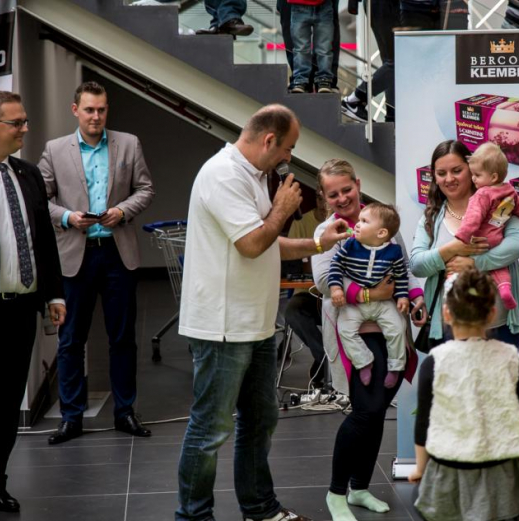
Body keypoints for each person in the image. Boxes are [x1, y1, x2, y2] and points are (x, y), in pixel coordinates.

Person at [176, 104, 349, 521]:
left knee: (259, 421)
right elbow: (252, 243)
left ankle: (259, 508)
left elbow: (266, 240)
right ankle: (193, 515)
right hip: (223, 326)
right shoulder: (223, 175)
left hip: (252, 322)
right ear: (269, 139)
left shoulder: (253, 175)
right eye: (287, 148)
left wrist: (318, 243)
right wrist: (283, 209)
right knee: (211, 429)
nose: (287, 158)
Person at [311, 158, 427, 521]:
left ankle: (359, 487)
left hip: (390, 333)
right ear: (324, 197)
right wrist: (370, 295)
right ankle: (336, 493)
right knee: (365, 413)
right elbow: (322, 282)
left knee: (376, 415)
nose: (343, 198)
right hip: (354, 336)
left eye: (347, 189)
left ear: (357, 184)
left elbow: (403, 269)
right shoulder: (325, 232)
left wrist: (417, 296)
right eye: (334, 194)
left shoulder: (381, 222)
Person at [40, 81, 155, 445]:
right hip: (75, 255)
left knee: (122, 338)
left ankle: (125, 412)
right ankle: (71, 418)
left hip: (117, 253)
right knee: (71, 339)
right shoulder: (55, 150)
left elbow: (145, 189)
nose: (96, 116)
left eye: (101, 110)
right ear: (76, 110)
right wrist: (68, 217)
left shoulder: (129, 143)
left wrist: (122, 210)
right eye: (89, 110)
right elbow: (39, 198)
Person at [408, 268, 519, 521]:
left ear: (446, 313)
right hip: (502, 471)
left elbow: (423, 424)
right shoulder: (510, 358)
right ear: (492, 313)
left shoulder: (435, 362)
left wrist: (420, 469)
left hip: (449, 472)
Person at [0, 92, 66, 514]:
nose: (26, 128)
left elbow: (43, 239)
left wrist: (54, 294)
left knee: (7, 399)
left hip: (20, 308)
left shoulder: (26, 173)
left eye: (24, 120)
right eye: (16, 122)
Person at [410, 139, 519, 348]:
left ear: (473, 171)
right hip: (451, 331)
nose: (449, 179)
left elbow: (517, 245)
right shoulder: (431, 217)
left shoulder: (499, 203)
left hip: (501, 327)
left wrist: (474, 263)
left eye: (457, 170)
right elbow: (417, 265)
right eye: (441, 173)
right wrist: (453, 249)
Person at [329, 203, 409, 388]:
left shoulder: (394, 252)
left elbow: (401, 275)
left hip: (383, 303)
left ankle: (396, 366)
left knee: (398, 328)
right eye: (359, 220)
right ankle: (364, 361)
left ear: (381, 233)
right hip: (355, 304)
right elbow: (335, 266)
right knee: (344, 329)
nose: (357, 224)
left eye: (364, 221)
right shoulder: (350, 245)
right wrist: (336, 288)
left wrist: (403, 296)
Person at [456, 143, 519, 310]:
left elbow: (473, 220)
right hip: (497, 238)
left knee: (460, 264)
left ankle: (463, 298)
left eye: (477, 175)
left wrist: (461, 238)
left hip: (479, 239)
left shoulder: (482, 194)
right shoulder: (510, 191)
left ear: (493, 177)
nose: (473, 178)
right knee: (498, 265)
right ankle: (504, 288)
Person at [284, 191, 328, 387]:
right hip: (309, 294)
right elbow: (292, 261)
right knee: (293, 310)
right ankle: (324, 358)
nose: (323, 203)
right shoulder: (301, 223)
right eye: (319, 197)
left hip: (342, 296)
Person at [341, 0, 398, 123]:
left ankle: (392, 117)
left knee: (391, 63)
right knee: (397, 62)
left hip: (381, 6)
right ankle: (355, 99)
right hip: (383, 5)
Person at [278, 0, 340, 94]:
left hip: (322, 5)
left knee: (320, 48)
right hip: (299, 5)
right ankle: (302, 80)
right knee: (305, 48)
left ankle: (320, 79)